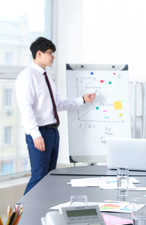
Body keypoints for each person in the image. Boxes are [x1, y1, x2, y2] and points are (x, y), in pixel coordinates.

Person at [16, 37, 96, 194]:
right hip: (39, 133)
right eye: (50, 53)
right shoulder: (28, 76)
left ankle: (41, 213)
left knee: (49, 177)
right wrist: (35, 135)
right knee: (39, 177)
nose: (53, 56)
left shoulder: (46, 77)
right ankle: (21, 215)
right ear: (39, 53)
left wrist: (82, 100)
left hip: (52, 132)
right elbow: (26, 108)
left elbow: (57, 104)